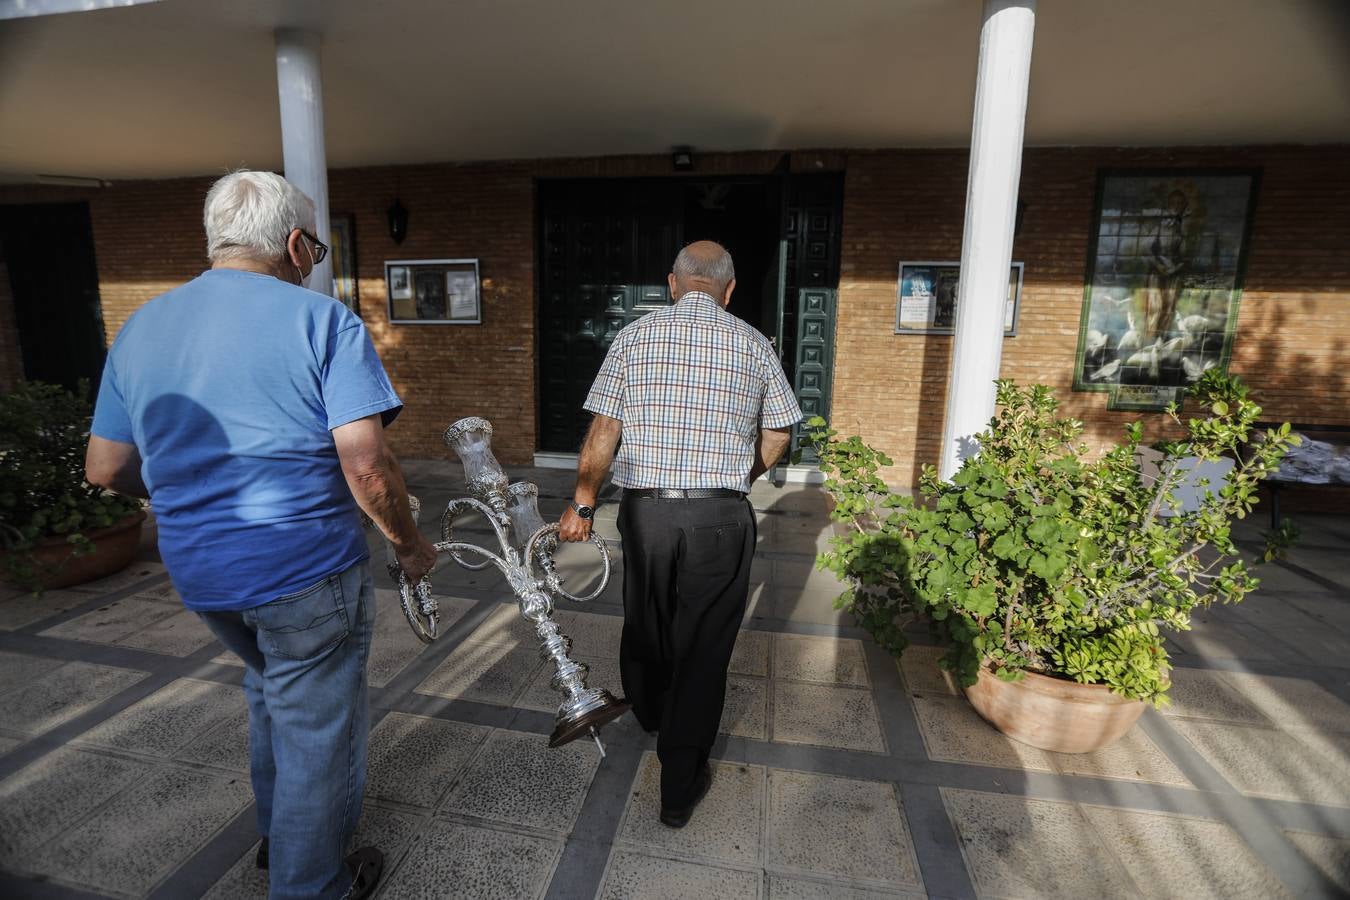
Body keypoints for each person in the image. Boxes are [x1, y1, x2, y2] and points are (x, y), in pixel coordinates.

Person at [84, 170, 436, 900]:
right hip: (303, 568)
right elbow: (366, 464)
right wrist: (408, 546)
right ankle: (313, 885)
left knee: (269, 690)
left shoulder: (142, 324)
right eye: (317, 249)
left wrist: (181, 497)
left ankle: (283, 841)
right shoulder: (323, 321)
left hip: (201, 572)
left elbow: (105, 467)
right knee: (318, 731)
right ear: (298, 245)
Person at [558, 240, 802, 828]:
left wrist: (583, 505)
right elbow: (778, 433)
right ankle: (679, 783)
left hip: (649, 513)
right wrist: (736, 476)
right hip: (721, 516)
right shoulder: (753, 343)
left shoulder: (635, 337)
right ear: (730, 289)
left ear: (673, 283)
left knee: (646, 615)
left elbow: (604, 431)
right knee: (704, 645)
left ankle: (648, 710)